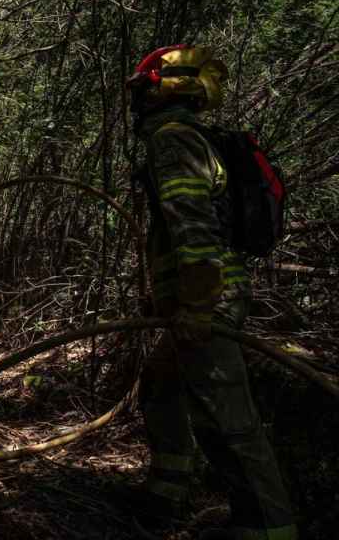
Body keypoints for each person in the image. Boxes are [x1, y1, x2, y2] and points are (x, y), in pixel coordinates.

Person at [126, 45, 296, 540]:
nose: (137, 100)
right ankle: (165, 496)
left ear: (166, 88)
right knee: (160, 386)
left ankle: (266, 527)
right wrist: (167, 295)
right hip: (199, 295)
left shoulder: (173, 140)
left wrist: (198, 305)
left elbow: (193, 225)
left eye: (143, 88)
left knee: (227, 418)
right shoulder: (186, 136)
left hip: (209, 298)